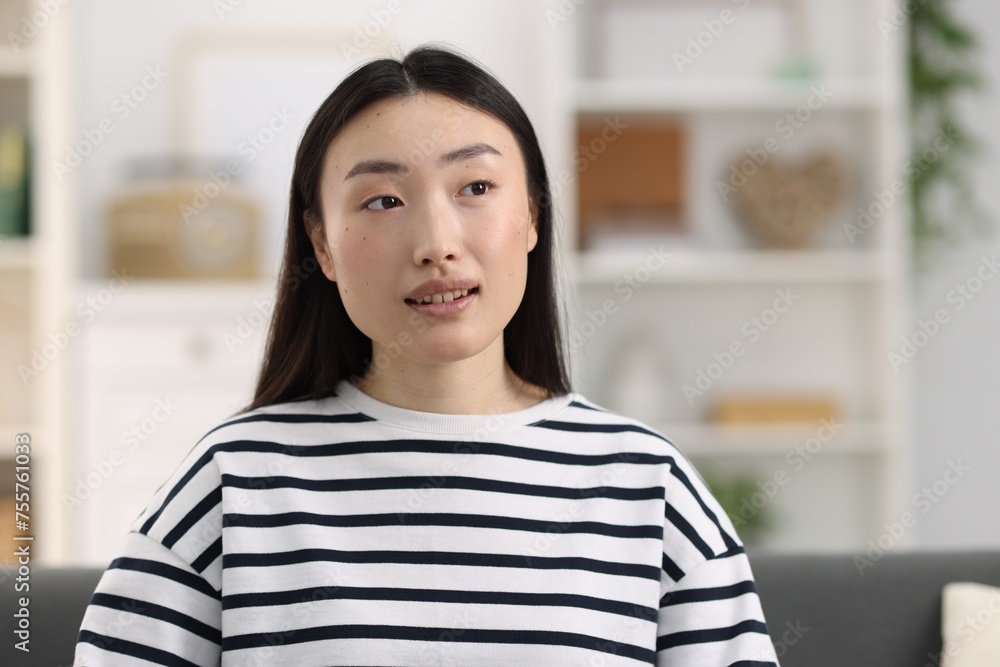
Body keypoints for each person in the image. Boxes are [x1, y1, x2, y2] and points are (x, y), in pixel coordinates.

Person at [75, 45, 778, 666]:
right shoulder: (233, 481)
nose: (436, 242)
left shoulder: (648, 486)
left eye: (475, 188)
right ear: (321, 246)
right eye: (382, 199)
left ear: (531, 214)